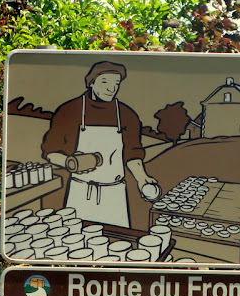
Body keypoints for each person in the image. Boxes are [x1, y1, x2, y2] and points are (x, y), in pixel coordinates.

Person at [41, 61, 156, 228]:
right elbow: (51, 150)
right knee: (75, 237)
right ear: (91, 82)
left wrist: (142, 178)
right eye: (105, 82)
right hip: (80, 191)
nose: (111, 88)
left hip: (114, 193)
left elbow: (132, 154)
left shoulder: (126, 115)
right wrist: (70, 163)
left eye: (116, 83)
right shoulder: (69, 110)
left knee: (116, 239)